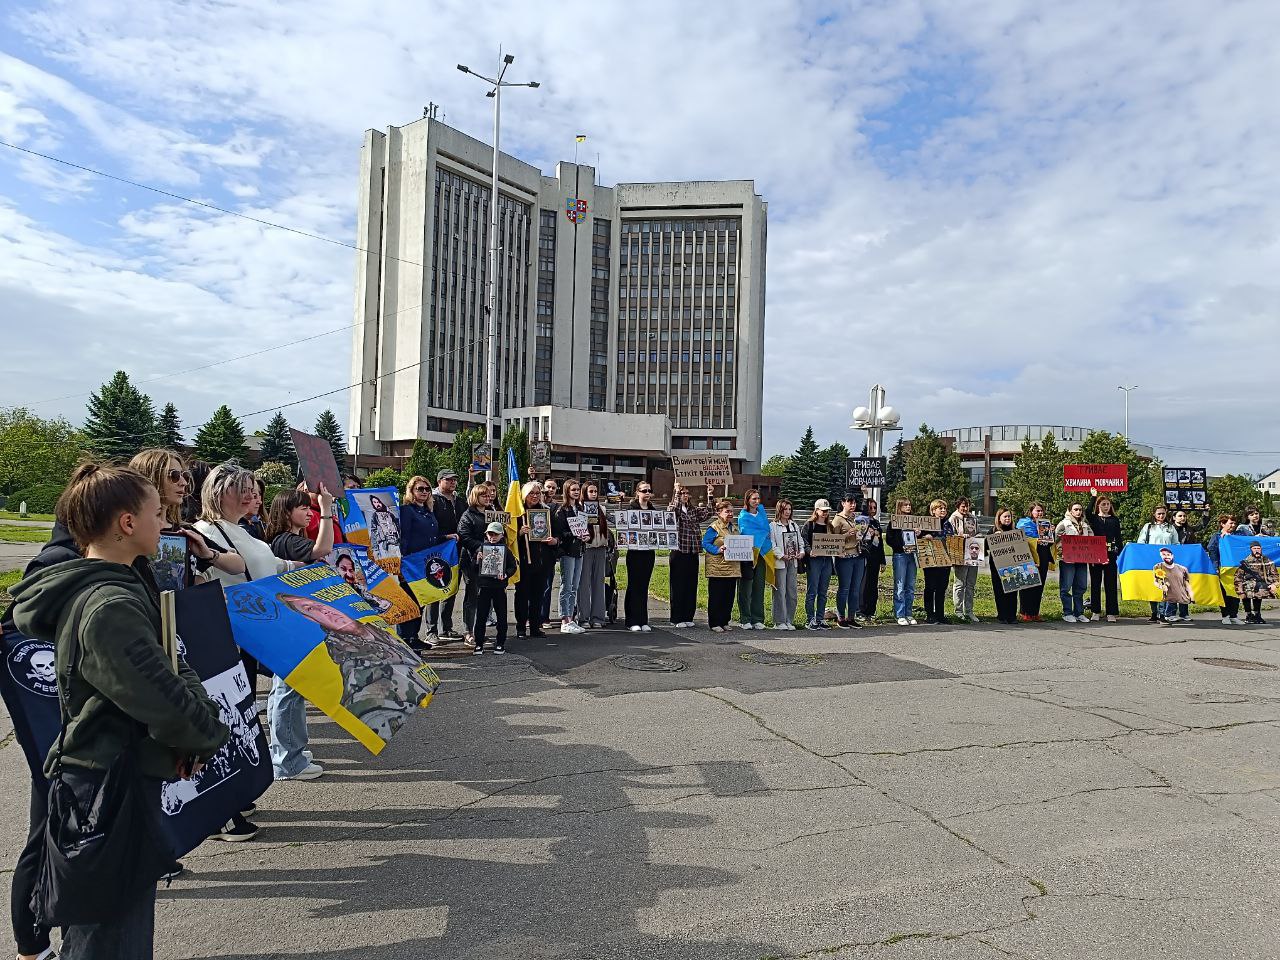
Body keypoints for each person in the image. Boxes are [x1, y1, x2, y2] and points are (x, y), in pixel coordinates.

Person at [10, 462, 229, 960]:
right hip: (107, 787)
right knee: (108, 937)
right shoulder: (109, 605)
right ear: (126, 524)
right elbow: (158, 692)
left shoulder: (122, 588)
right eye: (155, 513)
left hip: (113, 775)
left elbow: (173, 665)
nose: (164, 522)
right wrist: (202, 733)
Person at [196, 464, 314, 800]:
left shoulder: (240, 529)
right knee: (230, 712)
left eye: (251, 487)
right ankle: (227, 793)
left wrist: (292, 567)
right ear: (219, 492)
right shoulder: (208, 531)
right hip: (233, 636)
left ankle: (238, 788)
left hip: (254, 633)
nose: (251, 494)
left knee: (245, 708)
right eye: (242, 488)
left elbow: (268, 564)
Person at [275, 595, 436, 739]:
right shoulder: (344, 651)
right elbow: (363, 697)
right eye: (310, 609)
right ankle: (290, 760)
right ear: (310, 618)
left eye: (319, 604)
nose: (324, 610)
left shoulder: (371, 627)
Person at [398, 475, 441, 650]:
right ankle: (404, 639)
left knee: (419, 602)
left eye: (427, 489)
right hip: (411, 563)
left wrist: (446, 537)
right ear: (411, 491)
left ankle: (414, 636)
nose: (424, 492)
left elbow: (432, 537)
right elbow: (404, 537)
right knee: (408, 602)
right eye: (420, 489)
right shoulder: (407, 510)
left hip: (426, 564)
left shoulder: (428, 511)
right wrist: (401, 563)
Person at [456, 481, 499, 649]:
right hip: (472, 561)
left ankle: (479, 631)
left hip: (491, 561)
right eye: (484, 495)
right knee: (472, 597)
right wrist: (479, 548)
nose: (488, 497)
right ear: (476, 496)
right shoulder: (468, 515)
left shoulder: (492, 513)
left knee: (485, 597)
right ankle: (468, 632)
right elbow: (464, 536)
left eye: (489, 495)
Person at [668, 481, 716, 628]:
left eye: (687, 493)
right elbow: (673, 513)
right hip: (679, 551)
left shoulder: (693, 510)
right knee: (678, 585)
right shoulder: (673, 507)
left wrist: (710, 495)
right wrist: (676, 491)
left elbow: (709, 512)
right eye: (683, 493)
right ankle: (677, 618)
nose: (685, 496)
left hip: (692, 551)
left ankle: (688, 615)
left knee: (690, 585)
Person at [515, 481, 559, 640]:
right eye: (531, 493)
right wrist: (520, 533)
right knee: (522, 595)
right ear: (524, 495)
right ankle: (521, 628)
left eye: (537, 493)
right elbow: (509, 538)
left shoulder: (546, 512)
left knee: (538, 595)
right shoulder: (518, 514)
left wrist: (554, 541)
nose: (534, 496)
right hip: (525, 560)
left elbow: (557, 534)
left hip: (543, 560)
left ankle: (535, 626)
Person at [428, 469, 465, 640]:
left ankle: (447, 628)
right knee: (435, 589)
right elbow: (429, 526)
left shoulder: (459, 501)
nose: (452, 482)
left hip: (456, 551)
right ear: (439, 481)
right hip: (437, 550)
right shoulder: (433, 500)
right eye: (448, 479)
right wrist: (444, 537)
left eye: (455, 479)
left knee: (451, 589)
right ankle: (431, 631)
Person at [472, 521, 518, 653]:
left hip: (499, 587)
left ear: (501, 535)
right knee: (481, 616)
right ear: (486, 534)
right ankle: (479, 643)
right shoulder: (481, 549)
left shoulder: (506, 550)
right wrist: (477, 560)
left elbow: (513, 567)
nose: (492, 537)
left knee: (501, 615)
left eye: (496, 534)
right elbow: (473, 569)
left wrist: (506, 574)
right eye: (490, 534)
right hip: (484, 587)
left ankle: (500, 642)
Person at [552, 480, 588, 634]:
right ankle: (564, 619)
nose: (576, 492)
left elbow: (584, 527)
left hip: (579, 550)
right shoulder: (562, 511)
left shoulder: (580, 508)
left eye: (578, 489)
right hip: (567, 551)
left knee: (574, 586)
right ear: (567, 491)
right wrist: (574, 533)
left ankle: (571, 618)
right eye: (573, 489)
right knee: (566, 586)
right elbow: (559, 534)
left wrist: (585, 536)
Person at [701, 499, 742, 633]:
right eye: (727, 511)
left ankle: (725, 621)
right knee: (717, 596)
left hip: (732, 568)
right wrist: (717, 550)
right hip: (718, 568)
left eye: (731, 511)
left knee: (728, 597)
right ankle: (714, 622)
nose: (730, 514)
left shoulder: (735, 528)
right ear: (719, 513)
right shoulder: (714, 528)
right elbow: (705, 543)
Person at [1136, 505, 1180, 622]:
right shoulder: (1148, 527)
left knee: (1164, 587)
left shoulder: (1171, 527)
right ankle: (1154, 612)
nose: (1161, 516)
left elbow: (1176, 544)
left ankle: (1162, 614)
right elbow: (1140, 542)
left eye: (1163, 513)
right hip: (1152, 560)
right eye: (1159, 513)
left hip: (1166, 561)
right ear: (1154, 514)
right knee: (1154, 586)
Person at [828, 493, 866, 629]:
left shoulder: (856, 519)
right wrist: (845, 535)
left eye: (854, 502)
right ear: (843, 503)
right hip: (844, 558)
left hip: (858, 555)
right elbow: (831, 540)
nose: (853, 505)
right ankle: (841, 617)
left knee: (855, 589)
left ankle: (851, 617)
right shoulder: (838, 520)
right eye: (850, 502)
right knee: (844, 588)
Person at [624, 481, 657, 632]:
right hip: (635, 552)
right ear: (637, 492)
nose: (647, 493)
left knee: (644, 586)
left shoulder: (652, 509)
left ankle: (643, 620)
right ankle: (631, 620)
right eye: (644, 491)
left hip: (648, 552)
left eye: (649, 490)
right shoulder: (632, 508)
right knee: (634, 585)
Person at [1085, 488, 1122, 622]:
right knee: (1095, 583)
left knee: (1111, 584)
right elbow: (1087, 512)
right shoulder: (1094, 518)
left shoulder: (1114, 520)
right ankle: (1095, 611)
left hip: (1111, 554)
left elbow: (1118, 537)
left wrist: (1120, 553)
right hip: (1096, 554)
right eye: (1103, 504)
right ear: (1099, 506)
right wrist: (1093, 497)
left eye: (1108, 504)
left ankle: (1111, 612)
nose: (1106, 507)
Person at [578, 481, 611, 629]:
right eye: (590, 491)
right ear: (584, 492)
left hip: (601, 548)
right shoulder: (579, 508)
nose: (593, 494)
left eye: (595, 491)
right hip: (586, 548)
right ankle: (583, 617)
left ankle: (598, 617)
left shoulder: (601, 509)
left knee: (599, 583)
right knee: (583, 584)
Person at [736, 489, 770, 630]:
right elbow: (747, 533)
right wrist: (760, 534)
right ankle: (745, 618)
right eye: (754, 499)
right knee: (746, 587)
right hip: (748, 555)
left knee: (759, 587)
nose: (757, 501)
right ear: (748, 500)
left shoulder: (762, 514)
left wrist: (761, 534)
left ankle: (758, 618)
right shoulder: (743, 516)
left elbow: (767, 530)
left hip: (762, 554)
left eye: (758, 499)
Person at [1055, 502, 1093, 623]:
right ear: (1070, 511)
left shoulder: (1085, 525)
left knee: (1081, 586)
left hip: (1082, 559)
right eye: (1075, 509)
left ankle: (1079, 612)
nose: (1078, 512)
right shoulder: (1063, 524)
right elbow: (1056, 540)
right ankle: (1067, 612)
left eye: (1080, 509)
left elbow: (1092, 540)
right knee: (1066, 586)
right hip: (1067, 559)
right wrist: (1062, 551)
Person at [919, 499, 955, 625]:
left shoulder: (948, 524)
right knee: (930, 587)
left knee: (941, 588)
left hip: (945, 560)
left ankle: (940, 614)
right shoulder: (927, 524)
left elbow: (950, 539)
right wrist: (925, 536)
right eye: (940, 508)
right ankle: (929, 614)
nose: (943, 511)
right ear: (933, 511)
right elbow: (920, 538)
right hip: (930, 560)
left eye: (945, 508)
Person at [1015, 503, 1053, 621]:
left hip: (1043, 557)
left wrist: (1052, 533)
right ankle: (1024, 612)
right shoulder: (1024, 523)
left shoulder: (1046, 524)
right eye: (1037, 511)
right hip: (1029, 556)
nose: (1040, 513)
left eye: (1041, 511)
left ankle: (1035, 612)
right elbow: (1020, 538)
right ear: (1031, 512)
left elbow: (1050, 543)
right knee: (1027, 584)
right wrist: (1037, 539)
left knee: (1040, 585)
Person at [769, 498, 803, 631]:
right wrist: (781, 555)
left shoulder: (794, 525)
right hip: (780, 562)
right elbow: (772, 544)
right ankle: (779, 621)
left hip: (793, 562)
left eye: (789, 509)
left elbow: (800, 542)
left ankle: (789, 619)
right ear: (779, 510)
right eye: (785, 509)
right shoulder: (773, 526)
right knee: (780, 591)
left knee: (792, 591)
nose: (787, 512)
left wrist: (801, 552)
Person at [800, 500, 834, 630]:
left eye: (827, 511)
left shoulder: (829, 526)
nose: (825, 513)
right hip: (814, 561)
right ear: (816, 510)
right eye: (823, 510)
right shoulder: (809, 525)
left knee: (823, 592)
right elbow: (804, 541)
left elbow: (835, 542)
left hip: (827, 560)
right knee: (812, 591)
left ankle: (820, 618)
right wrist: (810, 551)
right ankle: (810, 619)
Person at [886, 499, 920, 626]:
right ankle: (899, 614)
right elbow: (889, 539)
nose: (908, 506)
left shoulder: (914, 522)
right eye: (905, 505)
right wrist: (900, 545)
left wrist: (918, 533)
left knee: (910, 586)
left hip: (912, 555)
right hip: (900, 554)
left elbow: (919, 539)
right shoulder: (894, 522)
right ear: (899, 507)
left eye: (910, 504)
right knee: (900, 585)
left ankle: (909, 613)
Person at [1207, 514, 1242, 625]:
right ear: (1223, 524)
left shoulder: (1237, 536)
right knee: (1224, 593)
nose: (1233, 525)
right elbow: (1211, 550)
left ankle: (1234, 615)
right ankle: (1225, 615)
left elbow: (1248, 541)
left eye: (1234, 523)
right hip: (1223, 569)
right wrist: (1215, 566)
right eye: (1230, 523)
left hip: (1236, 570)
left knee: (1236, 592)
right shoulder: (1217, 537)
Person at [948, 497, 980, 624]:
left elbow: (979, 532)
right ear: (958, 506)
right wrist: (960, 536)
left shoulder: (973, 518)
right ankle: (958, 610)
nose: (965, 508)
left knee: (971, 583)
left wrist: (976, 536)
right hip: (959, 553)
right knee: (960, 583)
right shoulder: (953, 518)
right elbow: (949, 535)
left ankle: (969, 610)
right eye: (963, 506)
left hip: (973, 553)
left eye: (967, 506)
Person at [989, 508, 1020, 624]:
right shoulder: (992, 530)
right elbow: (986, 547)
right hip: (997, 565)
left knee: (1012, 589)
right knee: (999, 590)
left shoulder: (1016, 531)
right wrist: (993, 538)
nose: (1007, 519)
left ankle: (1012, 616)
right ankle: (1002, 615)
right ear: (999, 518)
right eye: (1005, 517)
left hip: (1012, 564)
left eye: (1009, 517)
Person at [1235, 540, 1277, 624]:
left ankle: (1257, 615)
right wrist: (1240, 591)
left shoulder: (1266, 560)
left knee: (1258, 596)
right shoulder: (1246, 561)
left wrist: (1274, 584)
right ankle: (1249, 615)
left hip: (1261, 585)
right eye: (1254, 548)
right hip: (1247, 585)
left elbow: (1274, 573)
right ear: (1251, 549)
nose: (1257, 550)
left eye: (1258, 548)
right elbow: (1238, 577)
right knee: (1246, 596)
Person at [858, 499, 885, 620]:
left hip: (875, 556)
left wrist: (882, 560)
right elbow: (860, 537)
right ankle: (861, 611)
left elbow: (881, 543)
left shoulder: (877, 522)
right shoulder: (861, 520)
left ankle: (871, 610)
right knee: (864, 583)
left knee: (873, 584)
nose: (873, 510)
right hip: (865, 555)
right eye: (870, 508)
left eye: (875, 508)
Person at [539, 478, 560, 628]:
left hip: (548, 551)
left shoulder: (556, 508)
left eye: (553, 488)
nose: (550, 490)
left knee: (546, 585)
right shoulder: (530, 506)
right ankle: (529, 617)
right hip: (533, 551)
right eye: (547, 487)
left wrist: (555, 540)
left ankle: (544, 617)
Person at [1154, 547, 1193, 624]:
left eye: (1168, 554)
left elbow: (1186, 581)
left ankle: (1184, 614)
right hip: (1169, 589)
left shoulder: (1181, 568)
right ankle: (1170, 614)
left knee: (1183, 593)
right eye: (1163, 555)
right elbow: (1155, 581)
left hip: (1180, 586)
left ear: (1172, 555)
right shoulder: (1158, 567)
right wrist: (1161, 586)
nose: (1166, 556)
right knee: (1171, 594)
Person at [365, 494, 402, 560]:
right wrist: (375, 550)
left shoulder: (390, 514)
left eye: (378, 502)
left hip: (398, 544)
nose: (377, 504)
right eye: (375, 502)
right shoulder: (375, 516)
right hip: (387, 545)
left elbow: (399, 527)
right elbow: (374, 532)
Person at [239, 476, 268, 542]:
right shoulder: (238, 529)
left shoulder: (262, 525)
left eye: (260, 494)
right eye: (254, 495)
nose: (259, 501)